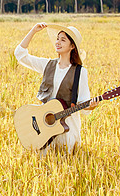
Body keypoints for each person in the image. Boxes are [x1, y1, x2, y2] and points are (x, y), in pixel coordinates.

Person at [14, 22, 99, 155]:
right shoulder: (48, 64)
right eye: (57, 39)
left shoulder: (80, 72)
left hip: (67, 127)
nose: (58, 42)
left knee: (66, 161)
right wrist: (33, 31)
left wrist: (91, 106)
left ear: (72, 46)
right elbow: (20, 55)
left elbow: (83, 101)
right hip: (43, 125)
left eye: (63, 40)